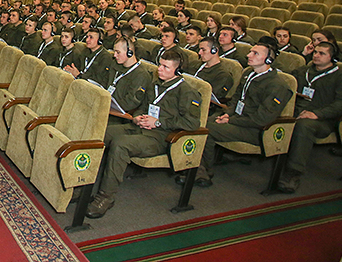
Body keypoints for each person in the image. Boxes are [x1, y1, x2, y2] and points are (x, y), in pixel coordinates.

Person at [86, 50, 201, 218]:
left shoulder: (187, 92)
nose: (159, 69)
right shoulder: (156, 84)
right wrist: (137, 117)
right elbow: (143, 106)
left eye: (165, 67)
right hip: (141, 127)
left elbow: (192, 123)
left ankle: (106, 197)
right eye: (160, 65)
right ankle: (83, 185)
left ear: (177, 70)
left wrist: (159, 122)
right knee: (100, 132)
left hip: (161, 136)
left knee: (120, 145)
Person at [195, 40, 292, 186]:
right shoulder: (248, 74)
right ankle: (201, 168)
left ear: (268, 60)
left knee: (207, 128)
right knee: (202, 122)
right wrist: (228, 114)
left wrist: (231, 120)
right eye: (250, 52)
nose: (248, 55)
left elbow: (261, 119)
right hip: (238, 119)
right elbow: (236, 99)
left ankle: (201, 172)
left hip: (256, 129)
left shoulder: (277, 85)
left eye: (255, 53)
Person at [278, 42, 342, 192]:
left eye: (322, 53)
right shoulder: (304, 71)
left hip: (324, 119)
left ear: (332, 57)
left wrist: (317, 114)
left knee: (304, 125)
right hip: (298, 110)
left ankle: (293, 173)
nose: (316, 56)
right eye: (315, 52)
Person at [103, 37, 152, 123]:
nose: (115, 55)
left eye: (118, 52)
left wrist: (107, 105)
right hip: (107, 107)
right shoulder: (115, 65)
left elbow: (130, 103)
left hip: (120, 115)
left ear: (130, 53)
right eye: (114, 52)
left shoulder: (141, 75)